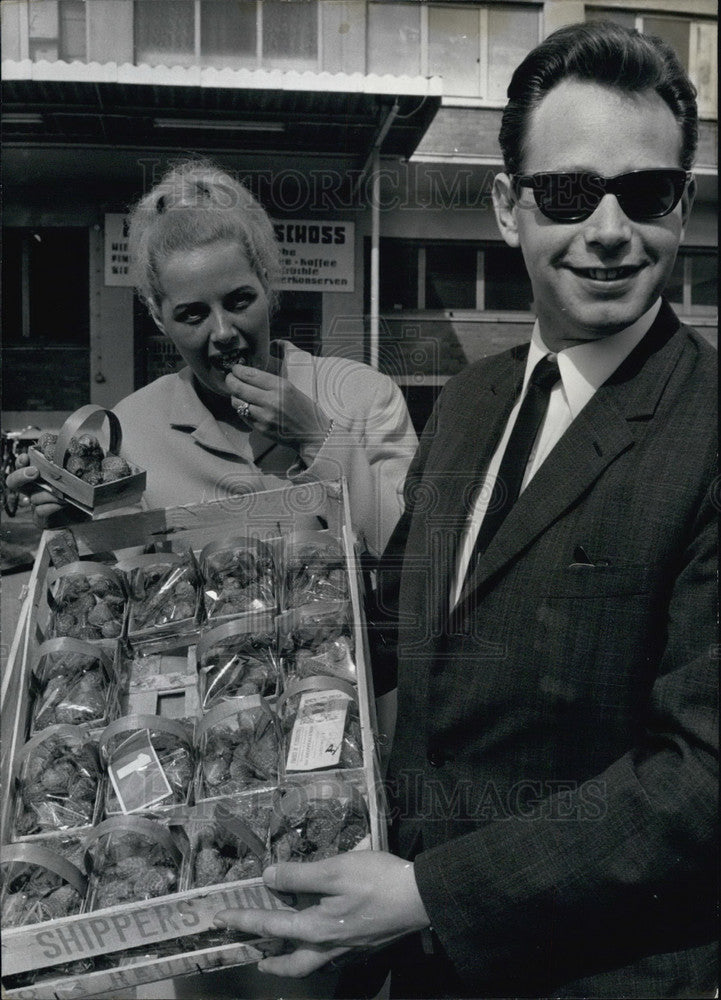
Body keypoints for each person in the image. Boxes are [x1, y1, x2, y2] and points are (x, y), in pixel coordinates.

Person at [213, 21, 718, 999]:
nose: (608, 229)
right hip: (417, 964)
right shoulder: (472, 400)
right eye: (568, 192)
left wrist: (428, 894)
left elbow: (698, 782)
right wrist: (222, 638)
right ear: (506, 207)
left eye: (644, 193)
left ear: (682, 206)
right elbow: (393, 624)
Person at [10, 159, 417, 560]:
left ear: (268, 285)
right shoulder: (131, 430)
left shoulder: (363, 396)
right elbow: (123, 593)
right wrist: (74, 535)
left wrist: (318, 441)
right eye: (193, 314)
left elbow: (413, 564)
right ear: (158, 318)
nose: (223, 332)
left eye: (239, 300)